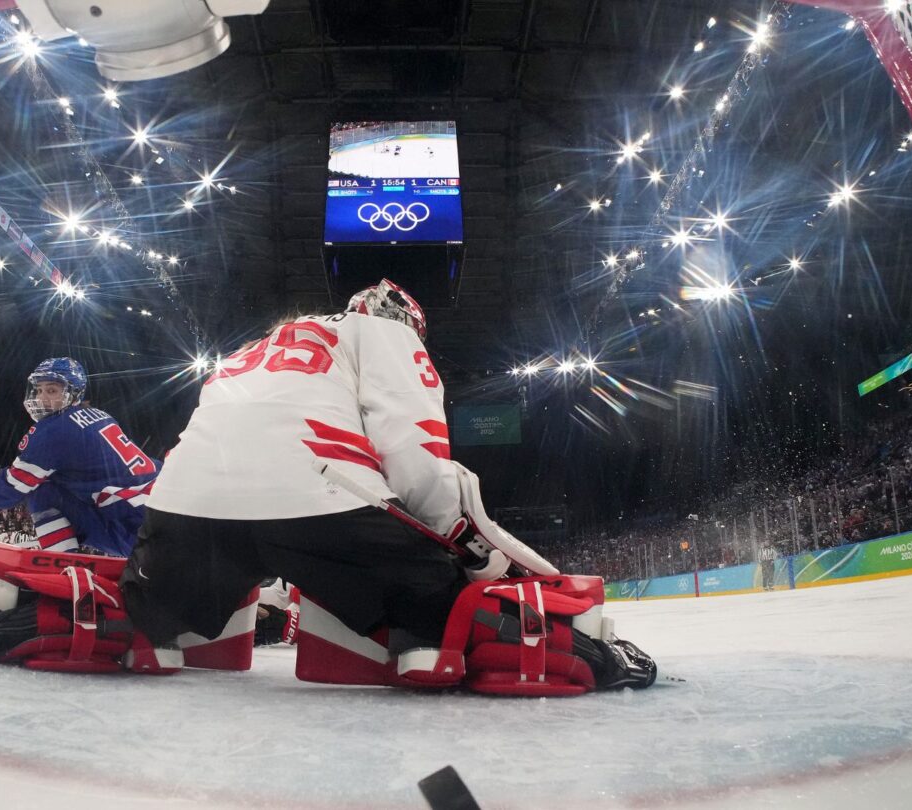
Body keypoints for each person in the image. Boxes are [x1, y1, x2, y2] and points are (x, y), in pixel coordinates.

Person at [119, 279, 656, 694]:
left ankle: (156, 638)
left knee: (158, 606)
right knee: (435, 596)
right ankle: (425, 651)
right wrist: (448, 539)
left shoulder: (248, 350)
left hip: (182, 511)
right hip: (319, 503)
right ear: (407, 322)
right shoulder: (384, 332)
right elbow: (412, 445)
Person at [0, 357, 158, 558]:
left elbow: (13, 486)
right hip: (159, 513)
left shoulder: (54, 429)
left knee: (40, 489)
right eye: (39, 390)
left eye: (52, 390)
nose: (42, 398)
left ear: (74, 393)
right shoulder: (100, 415)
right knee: (53, 480)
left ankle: (62, 564)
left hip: (136, 533)